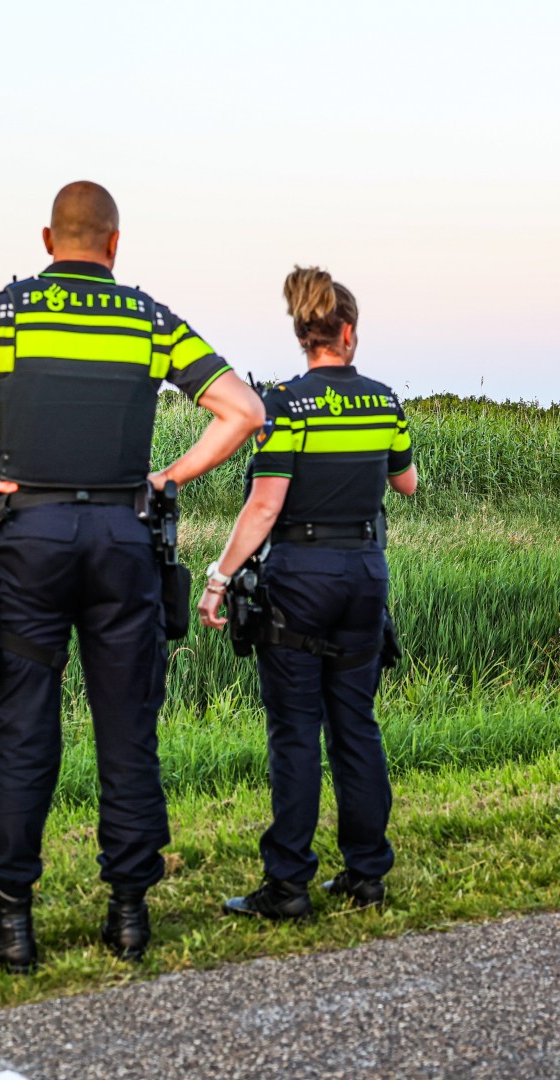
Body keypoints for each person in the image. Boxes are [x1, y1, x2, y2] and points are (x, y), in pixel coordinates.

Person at [0, 181, 264, 971]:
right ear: (115, 245)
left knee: (24, 731)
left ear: (48, 239)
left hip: (29, 536)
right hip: (123, 540)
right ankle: (128, 916)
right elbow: (243, 410)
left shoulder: (9, 312)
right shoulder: (149, 319)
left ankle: (12, 923)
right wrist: (170, 478)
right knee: (129, 728)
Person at [197, 266, 418, 919]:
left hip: (299, 574)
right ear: (347, 332)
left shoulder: (285, 404)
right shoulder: (384, 400)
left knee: (295, 730)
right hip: (364, 574)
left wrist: (219, 577)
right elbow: (405, 484)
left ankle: (288, 884)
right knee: (357, 724)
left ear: (305, 334)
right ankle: (366, 872)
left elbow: (264, 506)